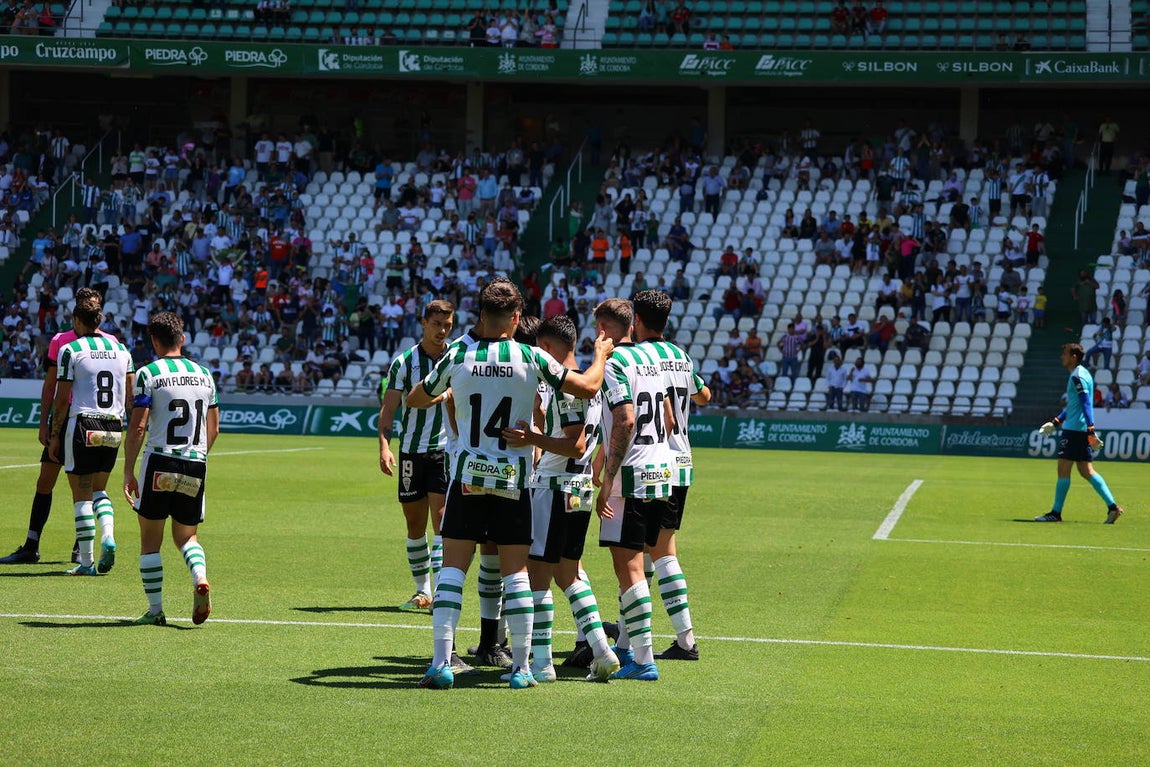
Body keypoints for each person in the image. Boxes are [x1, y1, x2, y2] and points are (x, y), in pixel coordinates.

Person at [407, 278, 612, 690]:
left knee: (452, 570)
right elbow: (588, 386)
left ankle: (441, 663)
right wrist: (602, 354)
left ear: (480, 316)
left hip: (467, 477)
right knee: (516, 574)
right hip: (514, 480)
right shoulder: (531, 356)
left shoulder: (458, 354)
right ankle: (520, 668)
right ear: (517, 318)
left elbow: (415, 397)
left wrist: (450, 398)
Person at [500, 314, 620, 683]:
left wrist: (531, 439)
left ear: (548, 348)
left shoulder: (568, 388)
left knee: (538, 575)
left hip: (555, 486)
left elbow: (575, 443)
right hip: (580, 488)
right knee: (569, 574)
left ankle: (542, 663)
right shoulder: (588, 384)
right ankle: (602, 650)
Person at [592, 297, 674, 682]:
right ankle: (628, 647)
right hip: (662, 470)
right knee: (640, 564)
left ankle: (643, 659)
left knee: (628, 569)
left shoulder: (615, 364)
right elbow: (670, 417)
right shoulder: (651, 358)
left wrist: (609, 477)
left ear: (606, 331)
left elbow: (624, 419)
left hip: (632, 477)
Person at [0, 288, 111, 565]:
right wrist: (44, 423)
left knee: (84, 488)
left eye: (96, 304)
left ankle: (79, 547)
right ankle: (31, 545)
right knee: (45, 482)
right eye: (89, 304)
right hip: (65, 421)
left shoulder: (109, 342)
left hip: (86, 421)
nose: (92, 307)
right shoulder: (61, 341)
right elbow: (50, 385)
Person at [120, 312, 218, 625]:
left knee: (150, 540)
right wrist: (197, 457)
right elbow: (214, 428)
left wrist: (128, 470)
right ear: (183, 338)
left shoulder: (149, 374)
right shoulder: (205, 375)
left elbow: (137, 428)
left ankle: (155, 610)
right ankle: (199, 577)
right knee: (187, 537)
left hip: (159, 460)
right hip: (195, 461)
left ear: (154, 340)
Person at [634, 290, 711, 662]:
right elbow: (704, 396)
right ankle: (632, 631)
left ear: (637, 319)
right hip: (683, 461)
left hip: (656, 461)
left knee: (660, 551)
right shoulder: (680, 355)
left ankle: (685, 639)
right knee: (648, 549)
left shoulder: (644, 358)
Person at [47, 290, 135, 576]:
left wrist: (55, 433)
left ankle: (86, 562)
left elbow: (62, 399)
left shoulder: (70, 350)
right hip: (113, 426)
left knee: (81, 494)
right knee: (100, 490)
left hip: (83, 424)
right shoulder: (122, 351)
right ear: (100, 319)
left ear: (76, 319)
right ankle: (108, 535)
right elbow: (132, 396)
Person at [378, 300, 456, 615]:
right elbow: (389, 409)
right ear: (423, 322)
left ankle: (439, 592)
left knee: (440, 521)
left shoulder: (456, 359)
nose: (441, 330)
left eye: (447, 325)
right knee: (414, 526)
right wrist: (384, 446)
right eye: (436, 324)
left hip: (443, 452)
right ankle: (421, 591)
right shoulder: (404, 363)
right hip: (410, 451)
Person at [1035, 344, 1123, 524]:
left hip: (1075, 430)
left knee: (1063, 470)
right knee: (1086, 471)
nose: (1062, 357)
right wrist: (1056, 421)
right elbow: (1075, 404)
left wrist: (1091, 428)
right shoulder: (1082, 373)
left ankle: (1055, 513)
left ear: (1073, 357)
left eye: (1064, 354)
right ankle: (1113, 508)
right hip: (1078, 429)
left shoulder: (1077, 376)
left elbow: (1085, 402)